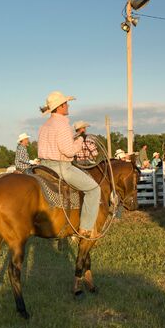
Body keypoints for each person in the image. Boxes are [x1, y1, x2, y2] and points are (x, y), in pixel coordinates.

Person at [38, 90, 100, 237]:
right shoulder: (62, 124)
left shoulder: (44, 125)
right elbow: (69, 151)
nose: (68, 106)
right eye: (66, 103)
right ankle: (86, 228)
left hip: (42, 167)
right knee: (94, 189)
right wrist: (79, 140)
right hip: (61, 167)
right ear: (60, 107)